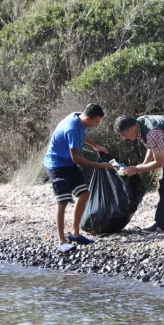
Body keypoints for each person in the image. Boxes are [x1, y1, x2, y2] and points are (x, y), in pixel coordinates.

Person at [43, 103, 115, 251]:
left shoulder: (79, 117)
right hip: (56, 165)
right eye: (96, 122)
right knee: (62, 202)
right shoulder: (71, 127)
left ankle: (75, 234)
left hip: (68, 164)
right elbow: (76, 158)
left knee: (84, 194)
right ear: (88, 118)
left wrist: (95, 146)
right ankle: (62, 241)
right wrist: (100, 165)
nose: (97, 124)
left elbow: (82, 135)